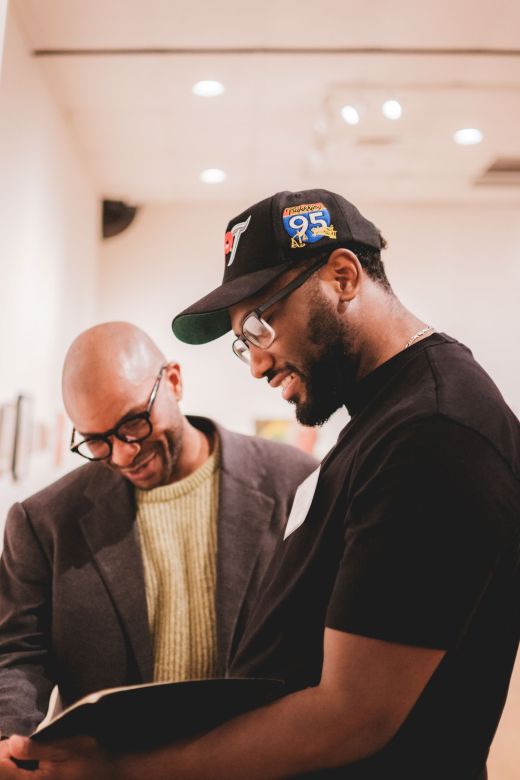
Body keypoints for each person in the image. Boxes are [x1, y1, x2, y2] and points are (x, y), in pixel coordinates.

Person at [1, 191, 519, 779]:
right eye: (242, 341)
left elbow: (353, 714)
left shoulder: (434, 431)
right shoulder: (384, 422)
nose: (255, 363)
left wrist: (124, 770)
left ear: (343, 276)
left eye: (259, 324)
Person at [0, 322, 317, 743]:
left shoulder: (295, 482)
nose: (123, 453)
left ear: (173, 381)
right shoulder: (43, 521)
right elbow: (18, 653)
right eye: (96, 442)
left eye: (134, 423)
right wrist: (8, 739)